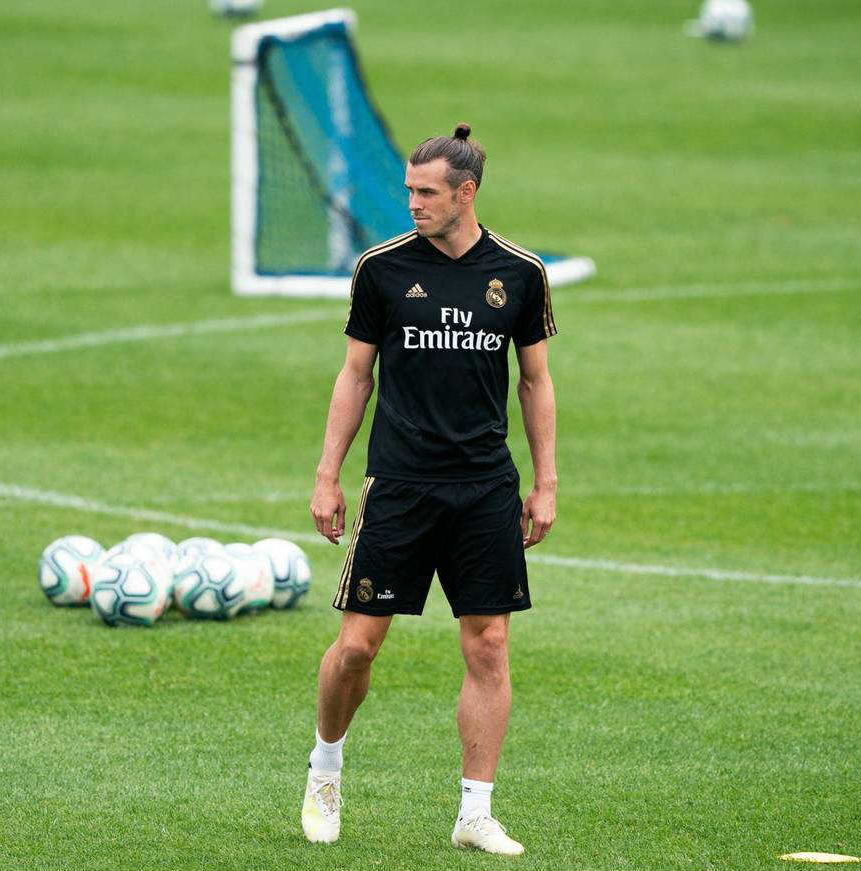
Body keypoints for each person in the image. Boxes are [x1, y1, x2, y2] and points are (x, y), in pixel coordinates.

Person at [299, 124, 557, 856]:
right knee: (357, 647)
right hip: (400, 487)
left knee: (489, 644)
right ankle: (325, 769)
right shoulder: (380, 269)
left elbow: (534, 382)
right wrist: (327, 474)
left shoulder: (519, 272)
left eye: (426, 192)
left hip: (484, 489)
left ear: (465, 193)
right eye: (409, 190)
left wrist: (545, 482)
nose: (411, 203)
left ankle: (475, 812)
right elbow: (355, 375)